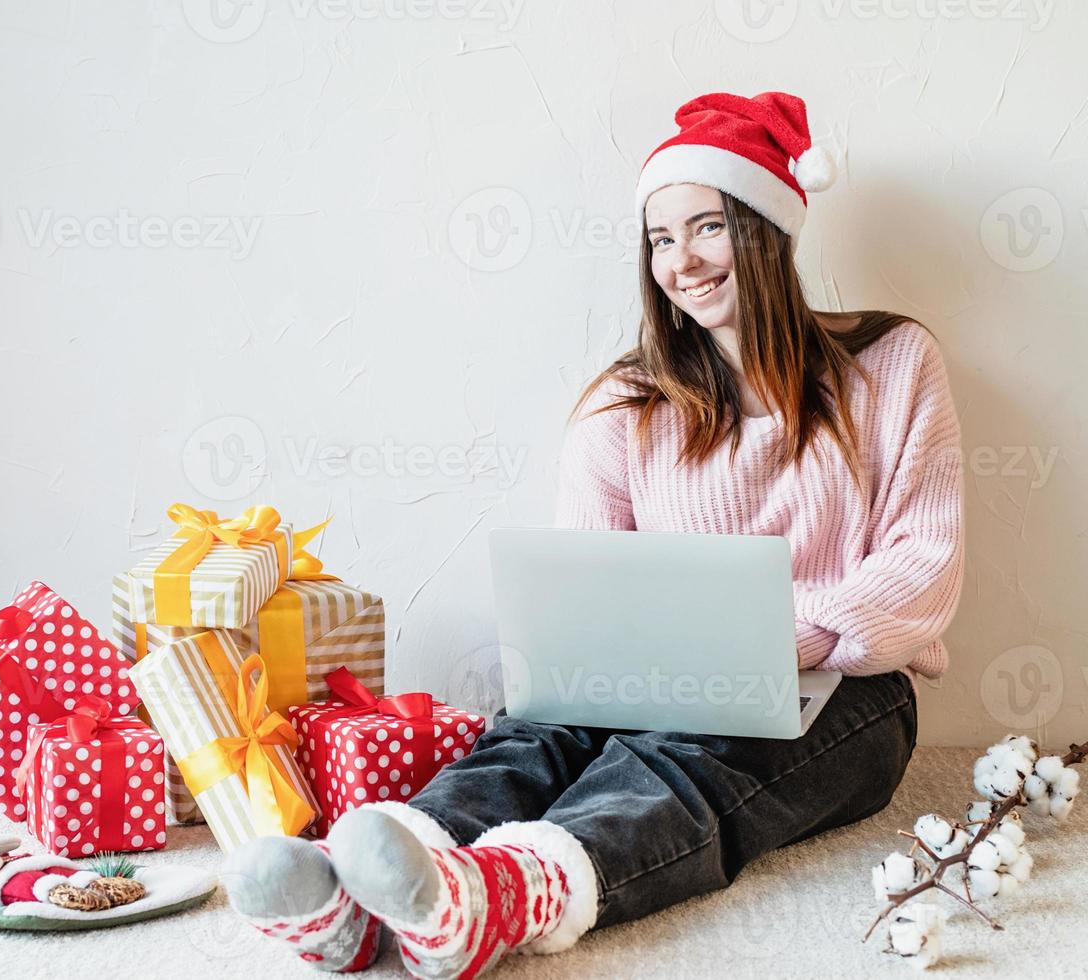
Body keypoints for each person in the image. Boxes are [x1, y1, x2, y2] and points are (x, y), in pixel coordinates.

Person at [221, 90, 966, 979]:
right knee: (545, 726)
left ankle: (503, 891)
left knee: (693, 764)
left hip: (850, 687)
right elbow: (586, 598)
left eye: (706, 228)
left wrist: (768, 640)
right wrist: (637, 665)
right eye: (659, 239)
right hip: (661, 678)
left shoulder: (892, 363)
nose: (680, 261)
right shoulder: (625, 403)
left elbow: (924, 568)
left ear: (765, 230)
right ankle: (364, 884)